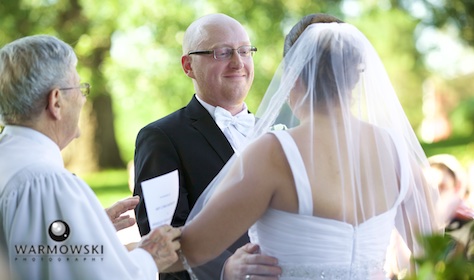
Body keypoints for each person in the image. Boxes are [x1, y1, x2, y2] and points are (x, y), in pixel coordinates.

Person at [163, 13, 441, 279]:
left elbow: (189, 250)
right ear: (356, 78)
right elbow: (434, 255)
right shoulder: (396, 151)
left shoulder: (272, 153)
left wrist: (122, 251)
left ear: (291, 78)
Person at [0, 34, 181, 279]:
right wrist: (150, 257)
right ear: (56, 101)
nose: (83, 99)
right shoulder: (45, 182)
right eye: (79, 88)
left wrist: (87, 230)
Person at [133, 13, 281, 280]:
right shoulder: (161, 137)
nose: (238, 63)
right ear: (188, 66)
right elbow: (161, 238)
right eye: (222, 53)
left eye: (245, 51)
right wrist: (225, 271)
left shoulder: (277, 135)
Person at [428, 154, 474, 231]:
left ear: (457, 187)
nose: (436, 192)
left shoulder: (465, 220)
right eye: (430, 186)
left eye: (442, 187)